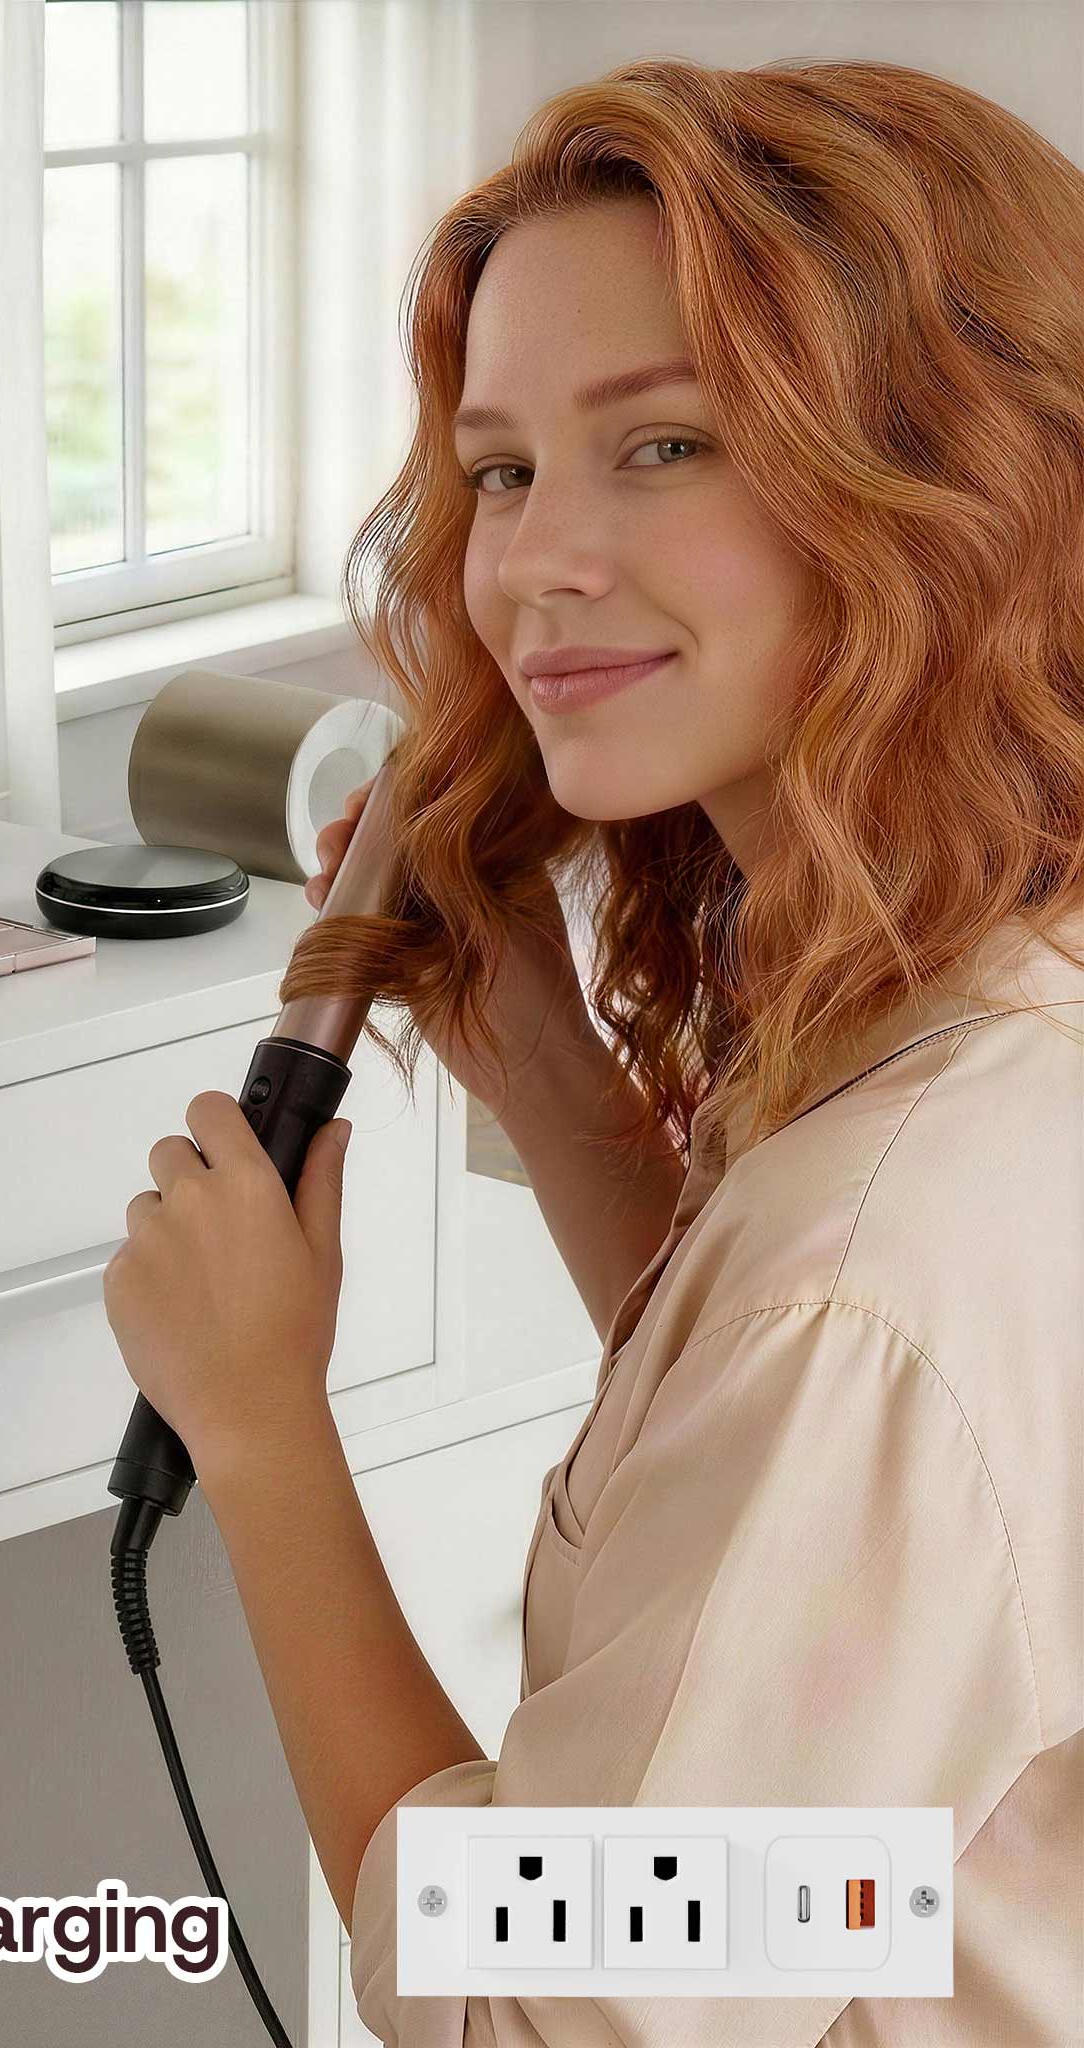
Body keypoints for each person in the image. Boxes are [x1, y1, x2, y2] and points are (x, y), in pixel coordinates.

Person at [102, 56, 1083, 2047]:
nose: (534, 559)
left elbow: (543, 2019)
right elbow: (879, 1719)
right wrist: (555, 1089)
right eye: (500, 468)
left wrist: (262, 1427)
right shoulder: (991, 1022)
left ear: (948, 480)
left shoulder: (878, 1267)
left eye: (664, 446)